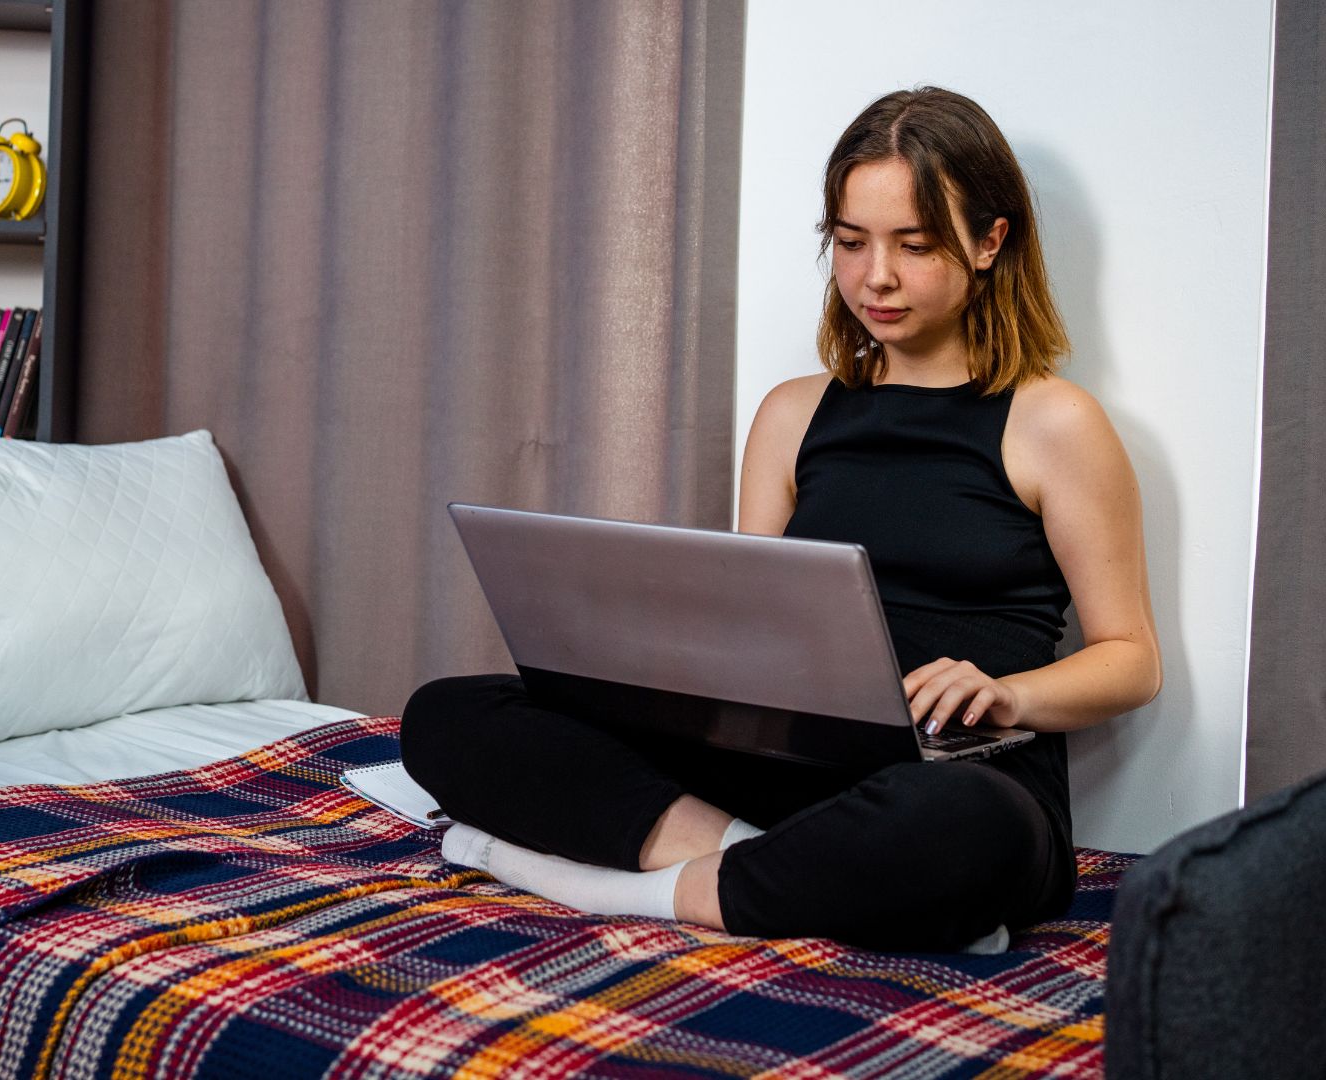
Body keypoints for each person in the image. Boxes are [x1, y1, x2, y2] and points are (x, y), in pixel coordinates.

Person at [400, 86, 1161, 953]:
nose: (876, 276)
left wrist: (1006, 693)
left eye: (915, 246)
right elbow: (745, 628)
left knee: (959, 824)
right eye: (850, 242)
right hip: (783, 772)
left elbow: (1131, 661)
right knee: (448, 714)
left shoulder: (1054, 422)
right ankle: (759, 869)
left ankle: (619, 884)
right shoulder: (793, 414)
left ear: (991, 242)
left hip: (956, 777)